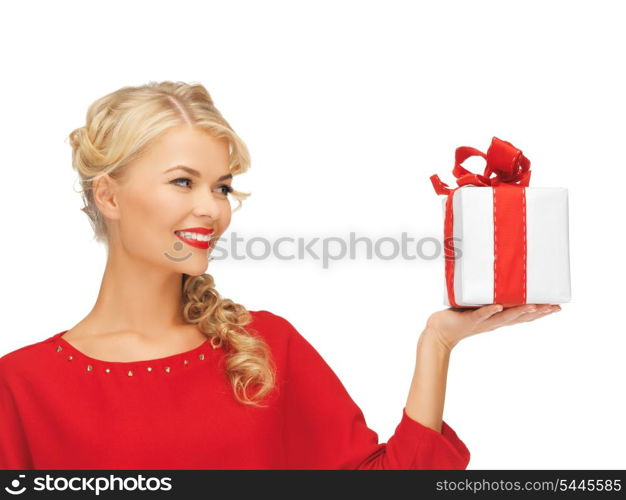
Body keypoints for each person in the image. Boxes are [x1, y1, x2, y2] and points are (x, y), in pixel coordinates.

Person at [0, 81, 561, 470]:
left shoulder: (265, 346)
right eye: (182, 181)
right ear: (109, 194)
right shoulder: (21, 388)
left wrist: (437, 344)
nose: (211, 209)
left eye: (220, 186)